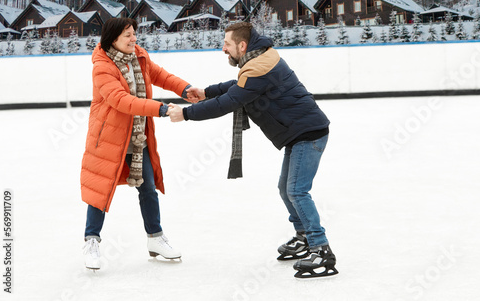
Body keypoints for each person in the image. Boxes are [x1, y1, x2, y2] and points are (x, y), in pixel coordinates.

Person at [166, 22, 338, 278]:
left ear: (242, 46)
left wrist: (187, 113)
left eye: (227, 44)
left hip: (308, 133)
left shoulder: (259, 68)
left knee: (296, 191)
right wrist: (205, 92)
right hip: (300, 133)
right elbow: (237, 85)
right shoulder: (258, 60)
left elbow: (230, 101)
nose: (223, 49)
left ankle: (321, 249)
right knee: (286, 189)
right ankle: (303, 237)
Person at [80, 18, 195, 270]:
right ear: (113, 41)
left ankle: (155, 237)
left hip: (136, 137)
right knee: (100, 192)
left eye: (134, 33)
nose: (134, 39)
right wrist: (161, 109)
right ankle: (91, 241)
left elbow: (159, 75)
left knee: (148, 189)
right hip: (108, 139)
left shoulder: (138, 56)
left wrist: (185, 89)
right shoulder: (102, 67)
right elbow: (122, 101)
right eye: (128, 36)